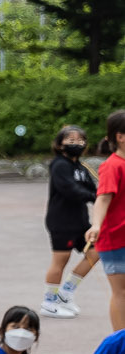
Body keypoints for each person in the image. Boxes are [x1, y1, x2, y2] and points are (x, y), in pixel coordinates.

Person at [70, 109, 125, 329]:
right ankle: (120, 343)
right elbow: (103, 199)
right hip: (115, 237)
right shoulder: (112, 166)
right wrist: (96, 225)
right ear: (120, 137)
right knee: (121, 292)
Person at [44, 124, 95, 317]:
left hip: (81, 221)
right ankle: (48, 302)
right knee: (60, 260)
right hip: (61, 221)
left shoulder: (81, 167)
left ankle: (66, 292)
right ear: (60, 144)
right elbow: (69, 189)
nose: (77, 144)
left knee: (96, 251)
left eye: (80, 140)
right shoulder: (59, 165)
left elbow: (94, 189)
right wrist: (94, 196)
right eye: (71, 140)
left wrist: (102, 196)